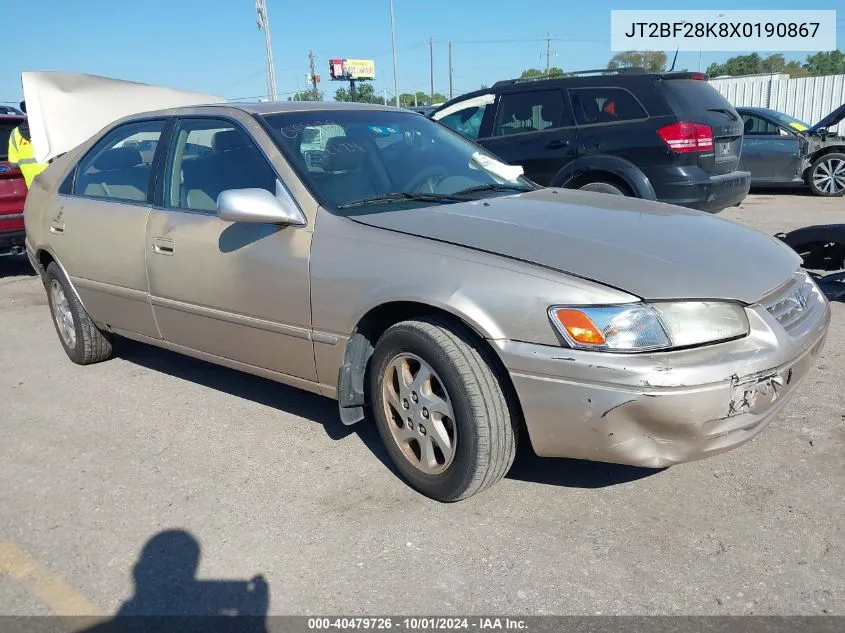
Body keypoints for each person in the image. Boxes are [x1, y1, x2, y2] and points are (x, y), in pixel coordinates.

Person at [7, 101, 48, 188]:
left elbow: (13, 163)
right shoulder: (46, 129)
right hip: (53, 180)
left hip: (31, 184)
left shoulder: (15, 133)